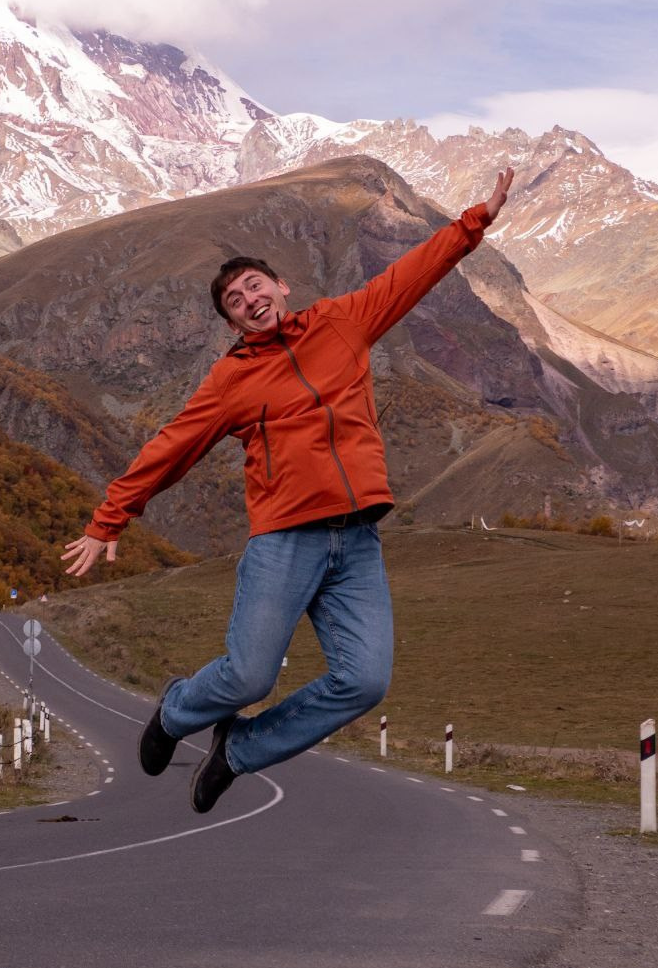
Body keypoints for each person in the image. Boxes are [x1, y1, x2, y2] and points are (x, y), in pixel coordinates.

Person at [62, 168, 513, 813]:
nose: (249, 299)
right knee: (247, 675)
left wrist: (475, 221)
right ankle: (175, 713)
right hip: (283, 542)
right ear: (234, 322)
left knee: (364, 681)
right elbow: (171, 448)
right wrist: (110, 518)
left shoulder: (343, 322)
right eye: (236, 302)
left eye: (255, 286)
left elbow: (413, 274)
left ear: (282, 286)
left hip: (356, 540)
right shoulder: (230, 380)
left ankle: (238, 752)